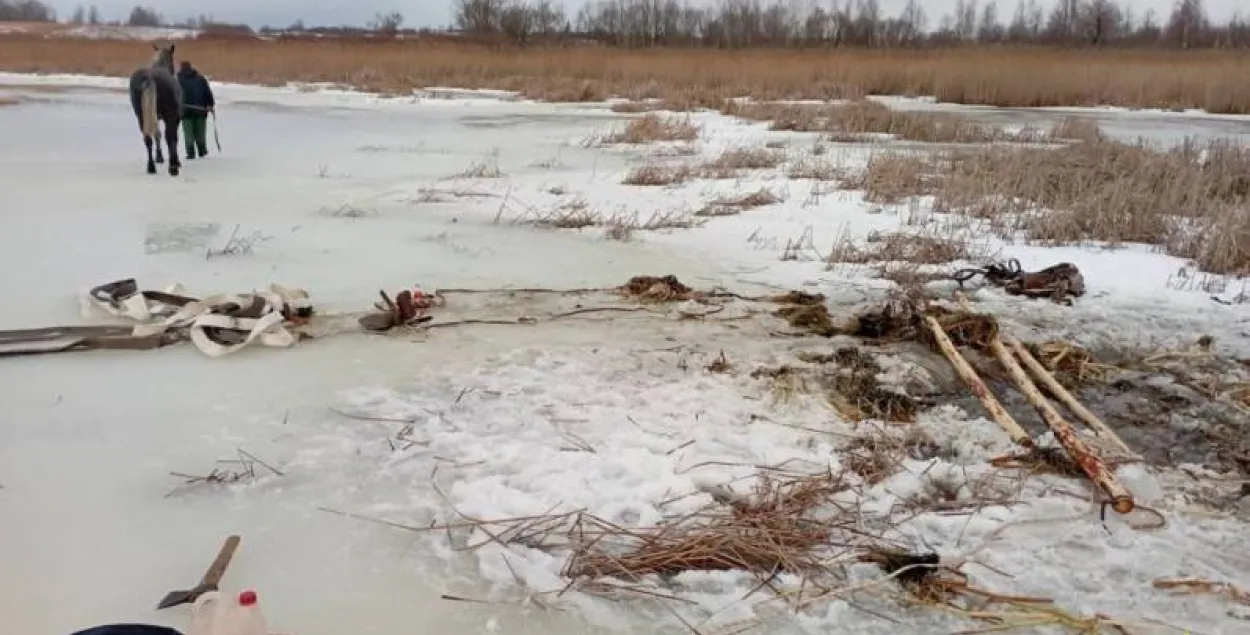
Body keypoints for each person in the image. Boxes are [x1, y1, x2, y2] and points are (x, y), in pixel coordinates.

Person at [177, 60, 215, 159]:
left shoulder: (177, 80)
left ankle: (191, 153)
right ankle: (201, 151)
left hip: (187, 112)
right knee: (200, 134)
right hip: (199, 111)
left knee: (189, 135)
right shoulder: (200, 79)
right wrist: (210, 104)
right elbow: (208, 93)